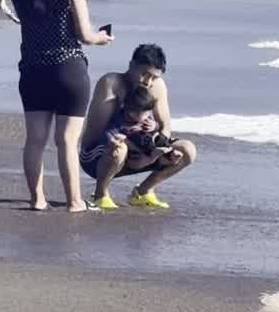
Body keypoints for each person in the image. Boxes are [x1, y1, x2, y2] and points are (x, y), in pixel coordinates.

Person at [12, 0, 112, 212]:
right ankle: (74, 201)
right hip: (68, 70)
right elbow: (85, 36)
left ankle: (38, 199)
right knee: (67, 140)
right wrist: (102, 37)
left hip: (33, 70)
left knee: (35, 140)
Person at [81, 43, 197, 211]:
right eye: (144, 74)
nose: (148, 82)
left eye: (154, 77)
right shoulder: (112, 83)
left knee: (187, 150)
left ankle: (143, 192)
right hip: (97, 155)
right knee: (118, 147)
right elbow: (102, 133)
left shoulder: (157, 86)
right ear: (131, 66)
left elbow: (165, 128)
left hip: (142, 150)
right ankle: (100, 194)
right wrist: (135, 147)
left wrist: (157, 152)